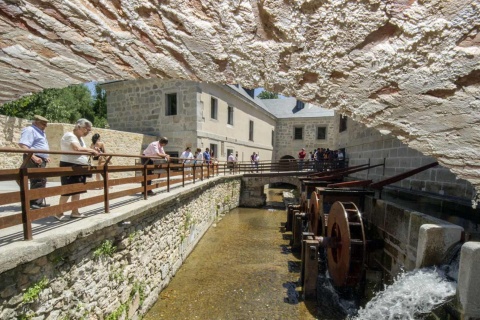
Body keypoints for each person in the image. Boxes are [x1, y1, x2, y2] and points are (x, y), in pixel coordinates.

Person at [58, 119, 98, 221]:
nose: (87, 132)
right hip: (69, 166)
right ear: (78, 127)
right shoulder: (69, 135)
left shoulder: (79, 138)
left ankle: (75, 211)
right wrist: (92, 150)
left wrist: (92, 150)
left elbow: (82, 148)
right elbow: (77, 148)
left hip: (78, 166)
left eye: (89, 130)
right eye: (86, 129)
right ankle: (58, 212)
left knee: (77, 190)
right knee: (67, 190)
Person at [18, 115, 51, 209]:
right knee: (37, 180)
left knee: (41, 180)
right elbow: (23, 145)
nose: (45, 126)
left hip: (40, 158)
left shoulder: (41, 132)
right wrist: (34, 157)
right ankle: (33, 202)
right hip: (33, 157)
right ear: (36, 122)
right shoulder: (30, 130)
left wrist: (46, 156)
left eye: (46, 124)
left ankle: (38, 201)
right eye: (43, 124)